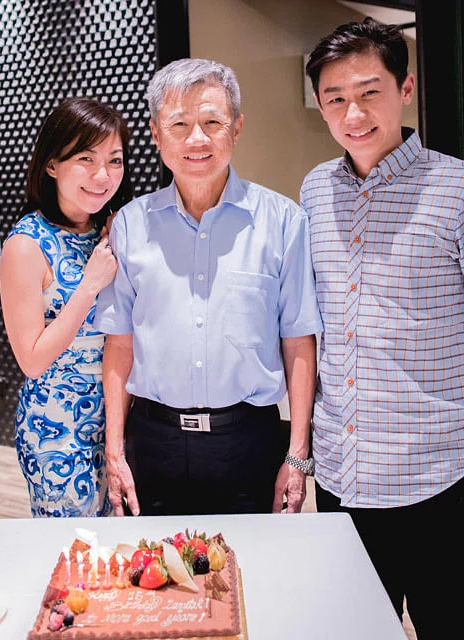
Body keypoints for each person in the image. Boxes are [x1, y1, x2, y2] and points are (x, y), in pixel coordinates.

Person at [301, 19, 464, 639]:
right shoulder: (316, 190)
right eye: (335, 98)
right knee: (354, 629)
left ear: (405, 89)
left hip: (435, 477)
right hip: (342, 472)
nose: (353, 113)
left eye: (369, 92)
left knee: (449, 627)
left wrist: (443, 402)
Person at [95, 58, 322, 517]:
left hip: (249, 442)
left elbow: (299, 341)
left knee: (250, 562)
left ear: (236, 128)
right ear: (156, 135)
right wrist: (114, 453)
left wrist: (297, 457)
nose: (196, 139)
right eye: (179, 125)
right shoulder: (130, 226)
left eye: (212, 123)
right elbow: (119, 344)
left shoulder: (282, 222)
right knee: (152, 562)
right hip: (152, 441)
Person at [0, 97, 133, 517]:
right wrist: (89, 285)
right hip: (58, 432)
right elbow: (32, 359)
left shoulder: (115, 231)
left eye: (114, 160)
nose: (102, 175)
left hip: (122, 423)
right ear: (52, 165)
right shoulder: (26, 244)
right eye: (86, 159)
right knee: (77, 549)